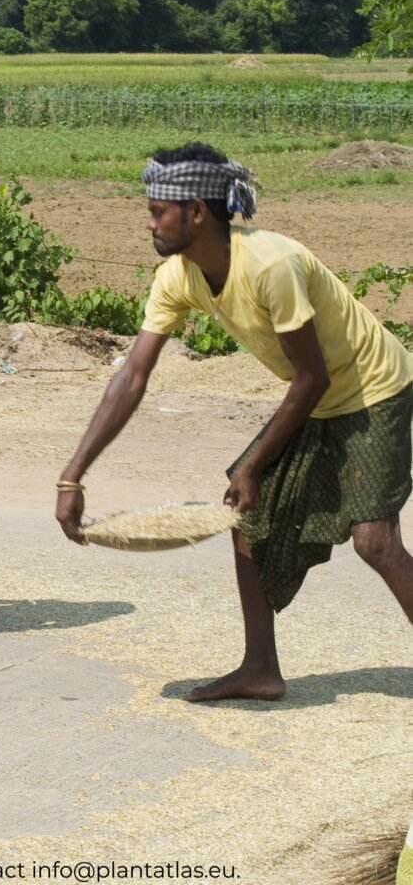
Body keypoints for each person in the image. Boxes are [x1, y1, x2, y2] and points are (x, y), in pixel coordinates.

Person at [55, 142, 413, 702]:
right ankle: (260, 668)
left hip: (372, 387)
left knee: (375, 541)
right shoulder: (179, 276)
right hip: (317, 395)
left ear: (197, 211)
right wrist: (72, 475)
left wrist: (252, 465)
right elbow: (131, 377)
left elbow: (311, 377)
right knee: (244, 514)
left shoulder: (271, 265)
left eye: (157, 211)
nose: (149, 223)